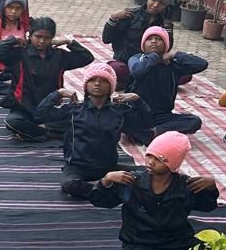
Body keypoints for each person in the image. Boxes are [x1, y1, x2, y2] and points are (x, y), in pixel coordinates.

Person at [89, 132, 219, 250]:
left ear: (172, 164)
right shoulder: (131, 181)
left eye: (159, 159)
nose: (150, 162)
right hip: (140, 243)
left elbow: (207, 206)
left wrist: (211, 187)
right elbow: (101, 201)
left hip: (177, 241)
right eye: (149, 155)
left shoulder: (185, 185)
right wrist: (106, 180)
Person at [35, 62, 151, 199]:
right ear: (86, 85)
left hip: (108, 166)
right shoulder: (74, 109)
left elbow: (146, 122)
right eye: (92, 80)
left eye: (103, 81)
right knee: (69, 185)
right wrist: (57, 94)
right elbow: (40, 115)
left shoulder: (119, 111)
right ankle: (105, 185)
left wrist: (137, 100)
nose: (97, 84)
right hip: (78, 167)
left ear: (111, 86)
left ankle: (103, 184)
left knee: (148, 173)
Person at [0, 17, 93, 142]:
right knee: (12, 121)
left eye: (47, 38)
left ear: (52, 38)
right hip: (24, 109)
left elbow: (87, 57)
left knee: (81, 116)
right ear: (30, 35)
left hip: (50, 108)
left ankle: (36, 132)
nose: (42, 41)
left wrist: (69, 42)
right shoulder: (19, 54)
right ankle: (49, 131)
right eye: (38, 36)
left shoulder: (59, 56)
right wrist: (14, 39)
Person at [125, 26, 208, 144]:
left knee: (194, 121)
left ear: (166, 45)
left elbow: (201, 64)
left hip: (162, 116)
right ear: (143, 44)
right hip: (138, 112)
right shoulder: (136, 59)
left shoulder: (172, 66)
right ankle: (150, 133)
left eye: (159, 39)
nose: (154, 41)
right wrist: (155, 56)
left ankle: (151, 133)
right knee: (119, 117)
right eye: (150, 39)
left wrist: (175, 54)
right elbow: (138, 71)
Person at [101, 0, 176, 86]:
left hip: (150, 63)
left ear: (167, 6)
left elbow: (167, 48)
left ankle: (133, 81)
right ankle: (141, 80)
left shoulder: (164, 23)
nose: (155, 5)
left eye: (161, 3)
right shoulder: (130, 15)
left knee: (183, 73)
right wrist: (113, 18)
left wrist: (167, 24)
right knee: (114, 69)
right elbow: (106, 39)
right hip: (127, 63)